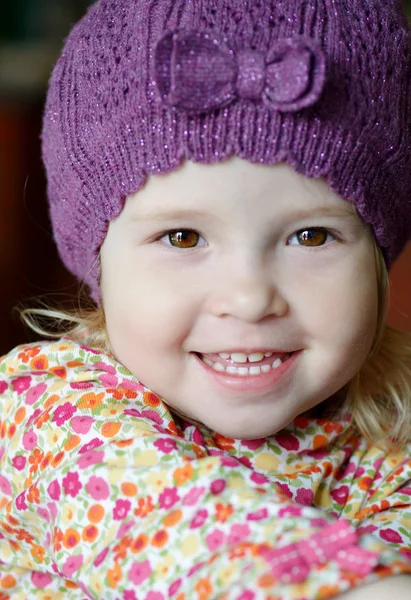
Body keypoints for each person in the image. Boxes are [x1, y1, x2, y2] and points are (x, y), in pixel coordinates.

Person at [1, 0, 411, 598]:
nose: (248, 299)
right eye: (182, 237)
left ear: (377, 259)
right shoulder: (50, 412)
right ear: (99, 264)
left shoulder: (390, 435)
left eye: (311, 235)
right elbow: (169, 523)